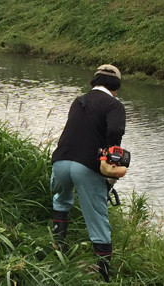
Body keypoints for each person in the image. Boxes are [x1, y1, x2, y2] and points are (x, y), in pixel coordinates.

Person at [50, 64, 126, 282]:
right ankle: (103, 274)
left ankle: (58, 252)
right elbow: (114, 130)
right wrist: (110, 157)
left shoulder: (79, 100)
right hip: (86, 166)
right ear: (117, 86)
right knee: (97, 217)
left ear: (94, 81)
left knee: (61, 201)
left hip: (61, 161)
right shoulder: (114, 105)